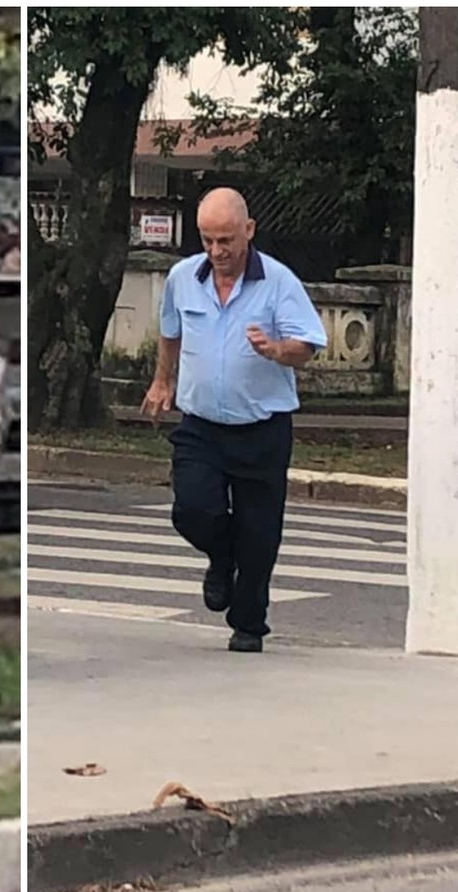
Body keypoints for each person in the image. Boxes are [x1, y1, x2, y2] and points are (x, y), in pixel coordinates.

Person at [141, 188, 327, 653]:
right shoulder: (183, 278)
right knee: (192, 510)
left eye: (225, 240)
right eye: (207, 240)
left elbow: (307, 344)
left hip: (262, 428)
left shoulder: (279, 282)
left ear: (249, 230)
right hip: (201, 425)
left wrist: (276, 350)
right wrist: (162, 381)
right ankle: (221, 560)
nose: (217, 251)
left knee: (259, 536)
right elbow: (170, 331)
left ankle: (248, 624)